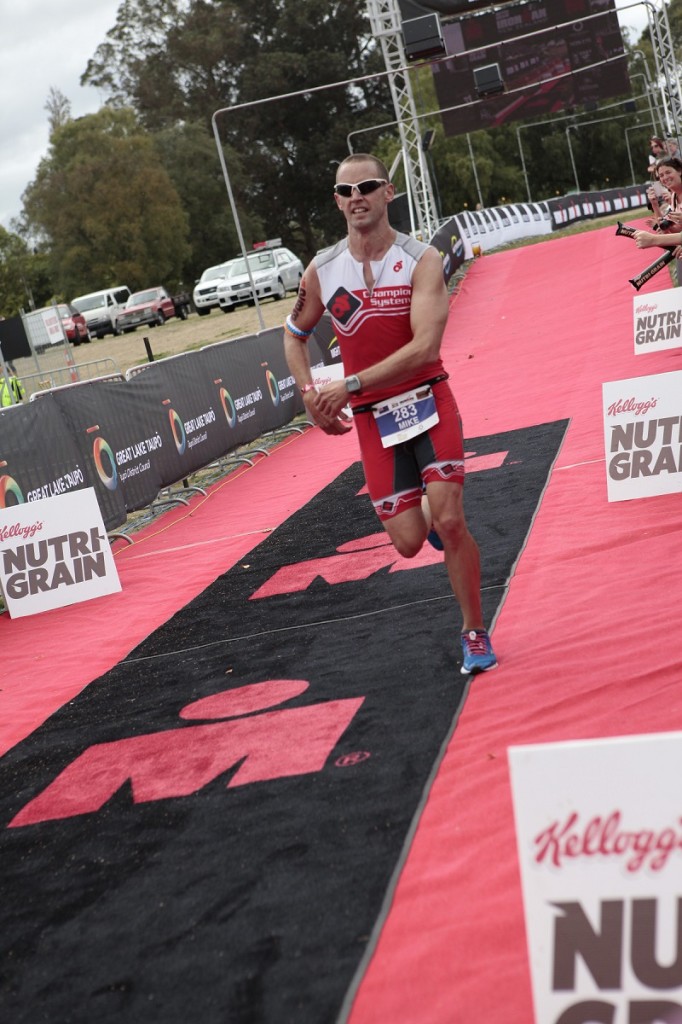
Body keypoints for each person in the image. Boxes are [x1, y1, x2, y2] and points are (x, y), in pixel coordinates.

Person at [282, 153, 497, 675]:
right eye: (345, 190)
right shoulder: (323, 268)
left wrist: (348, 384)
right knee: (407, 543)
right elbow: (294, 333)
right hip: (375, 421)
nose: (357, 197)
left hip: (428, 399)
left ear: (388, 192)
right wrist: (311, 394)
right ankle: (426, 501)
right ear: (336, 200)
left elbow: (425, 348)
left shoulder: (420, 259)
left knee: (449, 518)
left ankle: (474, 632)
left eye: (368, 186)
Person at [634, 154, 682, 257]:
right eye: (661, 175)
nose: (665, 178)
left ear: (679, 171)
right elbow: (675, 229)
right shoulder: (674, 197)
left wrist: (653, 240)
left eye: (668, 172)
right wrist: (655, 205)